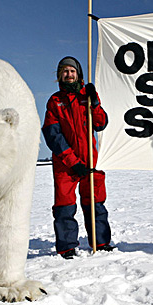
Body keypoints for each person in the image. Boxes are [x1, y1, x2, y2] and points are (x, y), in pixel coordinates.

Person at [42, 56, 115, 258]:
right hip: (65, 165)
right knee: (65, 206)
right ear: (59, 76)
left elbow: (100, 124)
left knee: (96, 202)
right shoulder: (55, 101)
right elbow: (52, 135)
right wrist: (73, 162)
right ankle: (67, 247)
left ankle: (101, 243)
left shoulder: (87, 96)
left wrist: (95, 103)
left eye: (72, 71)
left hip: (91, 160)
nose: (69, 74)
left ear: (78, 74)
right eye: (65, 71)